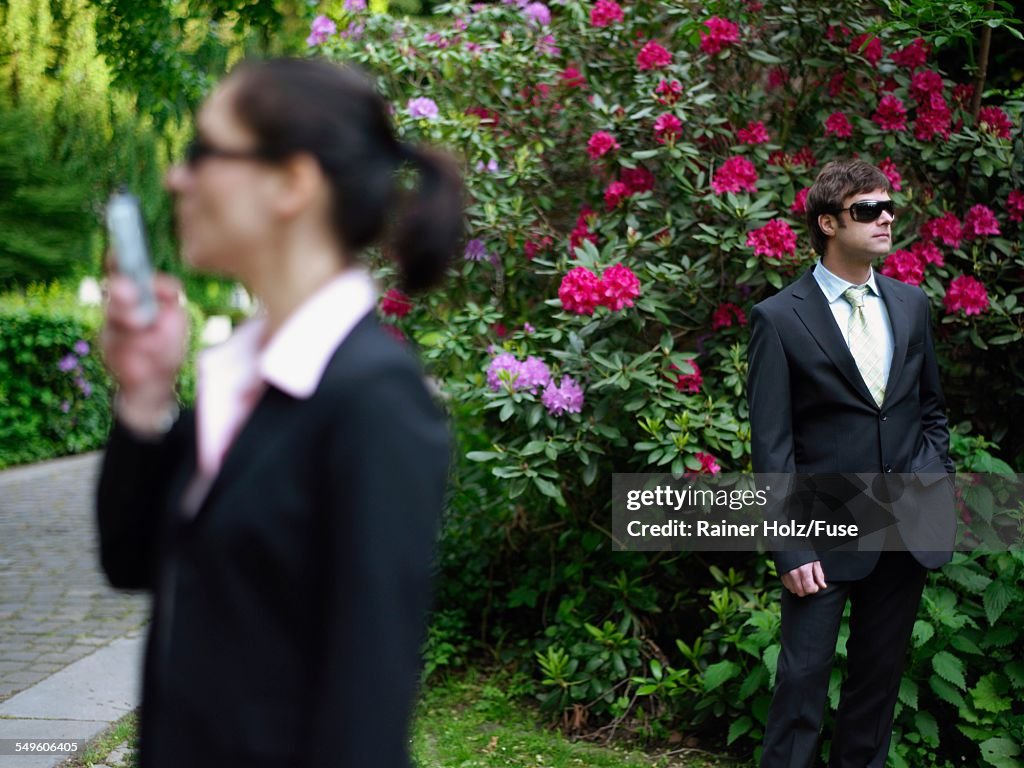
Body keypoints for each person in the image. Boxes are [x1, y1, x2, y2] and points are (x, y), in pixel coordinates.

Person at [96, 58, 462, 768]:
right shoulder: (247, 375)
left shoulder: (376, 403)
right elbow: (134, 561)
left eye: (204, 152)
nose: (177, 179)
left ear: (293, 181)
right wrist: (144, 393)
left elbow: (364, 718)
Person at [747, 159, 955, 767]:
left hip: (904, 526)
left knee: (876, 692)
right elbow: (773, 446)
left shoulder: (911, 305)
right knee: (801, 687)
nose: (886, 218)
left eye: (889, 207)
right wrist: (788, 545)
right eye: (868, 210)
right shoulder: (779, 318)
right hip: (821, 531)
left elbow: (929, 412)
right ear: (830, 223)